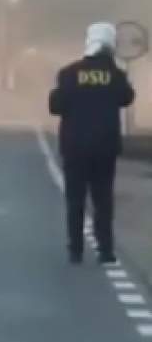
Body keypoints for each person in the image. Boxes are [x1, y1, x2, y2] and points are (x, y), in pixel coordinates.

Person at [49, 22, 135, 264]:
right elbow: (127, 98)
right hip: (105, 149)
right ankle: (105, 250)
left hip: (74, 147)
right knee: (103, 201)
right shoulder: (116, 75)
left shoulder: (68, 73)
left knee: (75, 200)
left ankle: (75, 250)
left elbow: (55, 107)